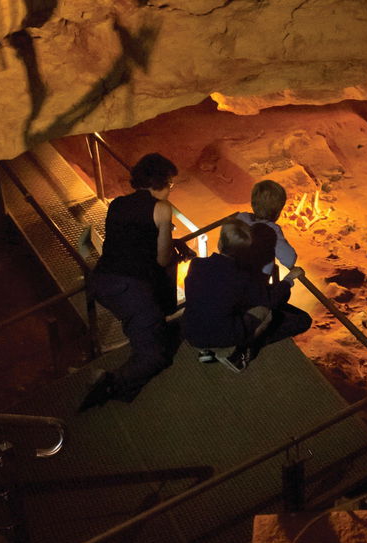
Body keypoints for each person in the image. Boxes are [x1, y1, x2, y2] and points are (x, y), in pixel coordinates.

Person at [81, 152, 180, 408]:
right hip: (130, 288)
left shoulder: (117, 204)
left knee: (146, 329)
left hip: (101, 281)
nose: (171, 188)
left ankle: (146, 330)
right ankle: (109, 383)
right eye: (171, 182)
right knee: (155, 356)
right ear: (163, 181)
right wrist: (170, 241)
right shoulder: (162, 208)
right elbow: (162, 259)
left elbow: (131, 239)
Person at [184, 218, 311, 372]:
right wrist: (288, 280)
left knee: (214, 306)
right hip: (223, 334)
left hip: (191, 333)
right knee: (271, 313)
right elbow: (269, 300)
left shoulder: (196, 265)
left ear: (219, 243)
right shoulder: (242, 277)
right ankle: (239, 351)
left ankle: (207, 349)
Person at [235, 179, 298, 284]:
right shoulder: (271, 231)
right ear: (278, 212)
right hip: (251, 287)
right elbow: (289, 259)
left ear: (253, 204)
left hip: (229, 276)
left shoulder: (240, 218)